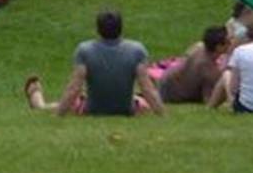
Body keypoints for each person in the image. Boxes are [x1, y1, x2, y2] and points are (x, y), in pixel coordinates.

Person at [23, 11, 164, 117]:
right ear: (121, 28)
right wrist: (162, 114)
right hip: (127, 108)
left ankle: (38, 102)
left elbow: (74, 88)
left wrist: (59, 114)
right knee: (142, 100)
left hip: (93, 108)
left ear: (98, 29)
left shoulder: (85, 50)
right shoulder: (136, 50)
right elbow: (147, 88)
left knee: (66, 103)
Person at [157, 25, 230, 104]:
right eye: (228, 42)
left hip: (165, 81)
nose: (231, 44)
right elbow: (210, 98)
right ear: (218, 47)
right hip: (172, 95)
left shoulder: (198, 47)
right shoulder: (207, 67)